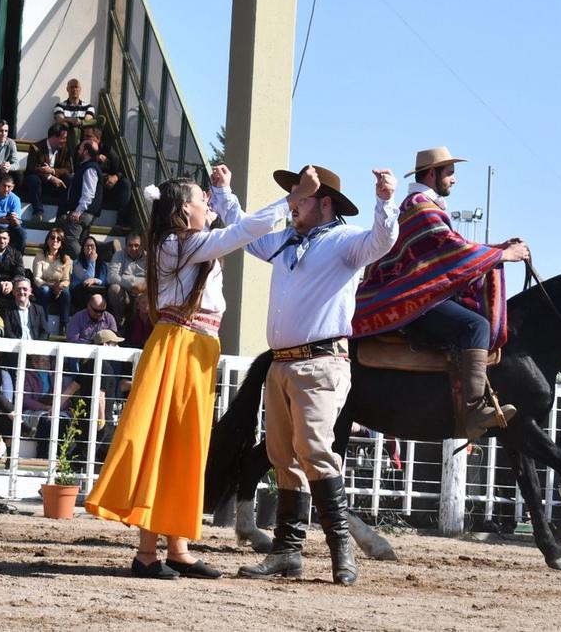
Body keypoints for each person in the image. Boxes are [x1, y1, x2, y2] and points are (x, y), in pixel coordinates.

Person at [86, 164, 319, 580]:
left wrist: (226, 193)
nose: (205, 202)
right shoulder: (177, 243)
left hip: (193, 347)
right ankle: (146, 552)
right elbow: (239, 233)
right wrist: (293, 198)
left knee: (187, 446)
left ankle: (177, 547)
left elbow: (236, 231)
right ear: (182, 210)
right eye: (201, 199)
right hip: (181, 346)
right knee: (167, 443)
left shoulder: (184, 243)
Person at [238, 164, 399, 586]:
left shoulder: (345, 241)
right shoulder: (287, 241)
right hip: (282, 363)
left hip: (319, 364)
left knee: (313, 449)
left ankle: (341, 550)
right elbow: (245, 236)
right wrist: (224, 198)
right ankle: (288, 553)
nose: (294, 204)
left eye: (301, 197)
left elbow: (382, 240)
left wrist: (385, 200)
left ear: (324, 203)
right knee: (283, 457)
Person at [354, 147, 529, 441]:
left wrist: (496, 248)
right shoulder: (422, 206)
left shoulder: (421, 205)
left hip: (413, 293)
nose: (454, 180)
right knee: (477, 325)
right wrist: (502, 255)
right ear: (433, 174)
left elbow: (450, 248)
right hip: (413, 299)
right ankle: (473, 411)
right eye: (450, 173)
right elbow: (449, 248)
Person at [55, 139, 101, 259]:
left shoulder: (90, 168)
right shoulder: (86, 166)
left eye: (80, 149)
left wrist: (78, 210)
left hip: (83, 213)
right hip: (85, 212)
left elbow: (89, 193)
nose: (78, 151)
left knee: (70, 239)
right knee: (82, 242)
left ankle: (83, 266)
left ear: (85, 152)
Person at [20, 122, 71, 223]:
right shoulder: (35, 147)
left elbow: (68, 169)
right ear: (53, 137)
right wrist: (50, 177)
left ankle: (61, 215)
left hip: (56, 185)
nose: (64, 141)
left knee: (68, 179)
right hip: (41, 183)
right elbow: (32, 168)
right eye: (63, 138)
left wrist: (53, 171)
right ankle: (38, 212)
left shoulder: (65, 149)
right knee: (32, 179)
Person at [31, 227, 72, 321]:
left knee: (66, 292)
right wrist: (52, 286)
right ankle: (43, 323)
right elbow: (37, 278)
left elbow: (66, 279)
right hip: (44, 288)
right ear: (48, 240)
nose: (55, 240)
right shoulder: (40, 256)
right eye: (52, 237)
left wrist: (60, 286)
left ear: (62, 243)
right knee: (45, 290)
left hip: (59, 289)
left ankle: (64, 324)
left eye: (59, 239)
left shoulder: (66, 259)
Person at [107, 232, 146, 330]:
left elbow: (154, 278)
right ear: (125, 246)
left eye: (136, 245)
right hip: (125, 292)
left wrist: (142, 287)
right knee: (114, 288)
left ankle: (135, 328)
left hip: (142, 292)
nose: (133, 248)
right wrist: (130, 285)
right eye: (130, 245)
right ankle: (119, 322)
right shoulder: (119, 255)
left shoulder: (148, 257)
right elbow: (111, 275)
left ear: (142, 246)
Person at [5, 276, 49, 341]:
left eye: (25, 289)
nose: (22, 292)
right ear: (13, 291)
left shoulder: (39, 309)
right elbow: (8, 332)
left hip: (35, 348)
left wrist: (36, 347)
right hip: (16, 347)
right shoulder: (8, 310)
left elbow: (45, 332)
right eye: (18, 289)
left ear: (30, 291)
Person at [70, 235, 107, 310]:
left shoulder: (102, 264)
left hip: (95, 292)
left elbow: (104, 280)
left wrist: (94, 280)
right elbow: (87, 279)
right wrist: (92, 261)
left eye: (92, 246)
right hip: (78, 292)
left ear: (96, 248)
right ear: (83, 249)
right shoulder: (77, 263)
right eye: (87, 246)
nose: (90, 248)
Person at [53, 77, 96, 141]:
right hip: (67, 138)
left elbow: (87, 121)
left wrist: (79, 122)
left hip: (84, 137)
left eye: (76, 87)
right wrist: (71, 120)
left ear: (80, 89)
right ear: (67, 89)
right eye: (72, 87)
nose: (74, 89)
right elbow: (60, 120)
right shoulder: (60, 106)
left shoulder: (89, 107)